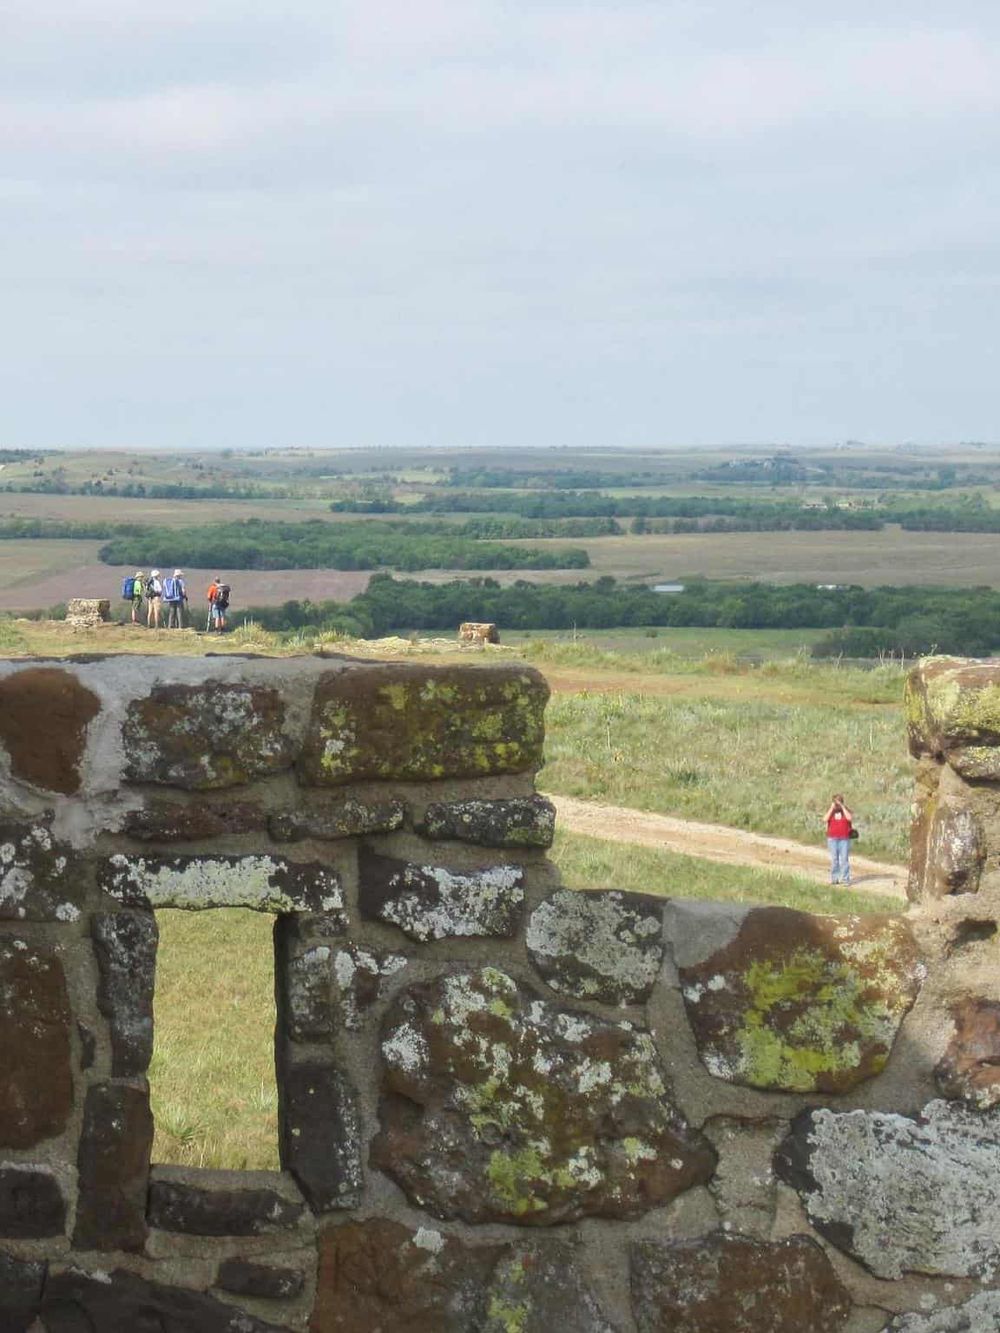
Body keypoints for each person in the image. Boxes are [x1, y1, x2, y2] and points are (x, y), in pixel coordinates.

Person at [825, 794, 854, 886]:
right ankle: (834, 878)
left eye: (838, 802)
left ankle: (846, 879)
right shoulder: (832, 812)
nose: (837, 804)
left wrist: (842, 807)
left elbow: (849, 818)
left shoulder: (845, 812)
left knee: (844, 859)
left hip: (844, 839)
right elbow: (824, 819)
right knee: (834, 859)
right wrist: (831, 808)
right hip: (832, 838)